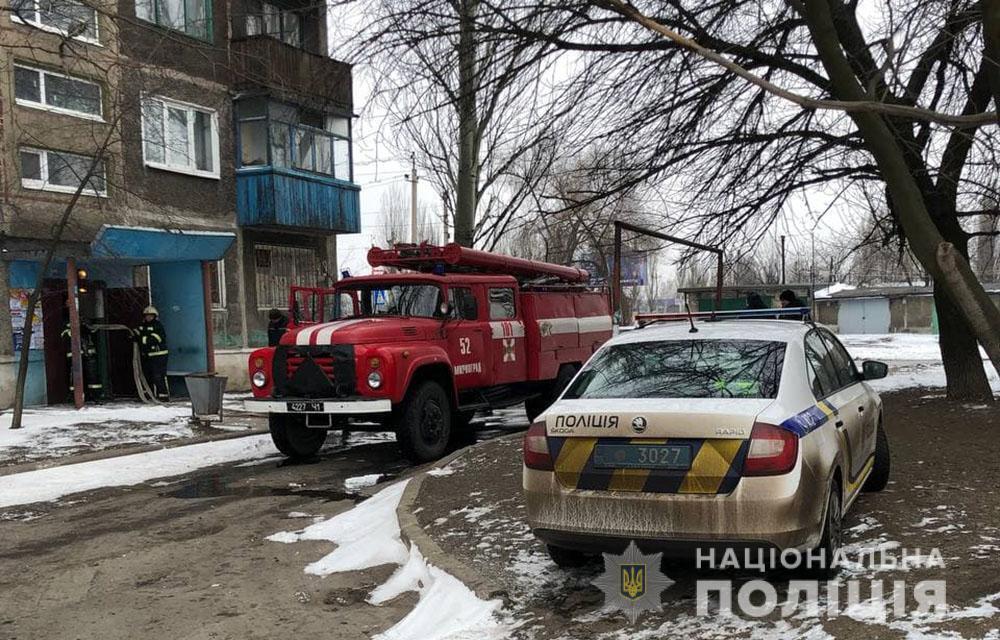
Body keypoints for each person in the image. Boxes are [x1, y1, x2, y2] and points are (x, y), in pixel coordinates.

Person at [61, 310, 103, 402]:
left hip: (88, 355)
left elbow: (93, 331)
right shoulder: (66, 324)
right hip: (74, 356)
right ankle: (75, 397)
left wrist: (85, 326)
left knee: (92, 376)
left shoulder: (86, 324)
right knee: (75, 377)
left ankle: (95, 396)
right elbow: (66, 335)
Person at [136, 305, 169, 401]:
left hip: (159, 355)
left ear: (155, 316)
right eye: (147, 315)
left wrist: (141, 338)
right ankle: (148, 395)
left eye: (151, 315)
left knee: (158, 376)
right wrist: (136, 336)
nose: (148, 317)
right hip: (147, 356)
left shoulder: (158, 326)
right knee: (146, 375)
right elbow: (137, 334)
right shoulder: (142, 326)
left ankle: (163, 396)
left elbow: (155, 339)